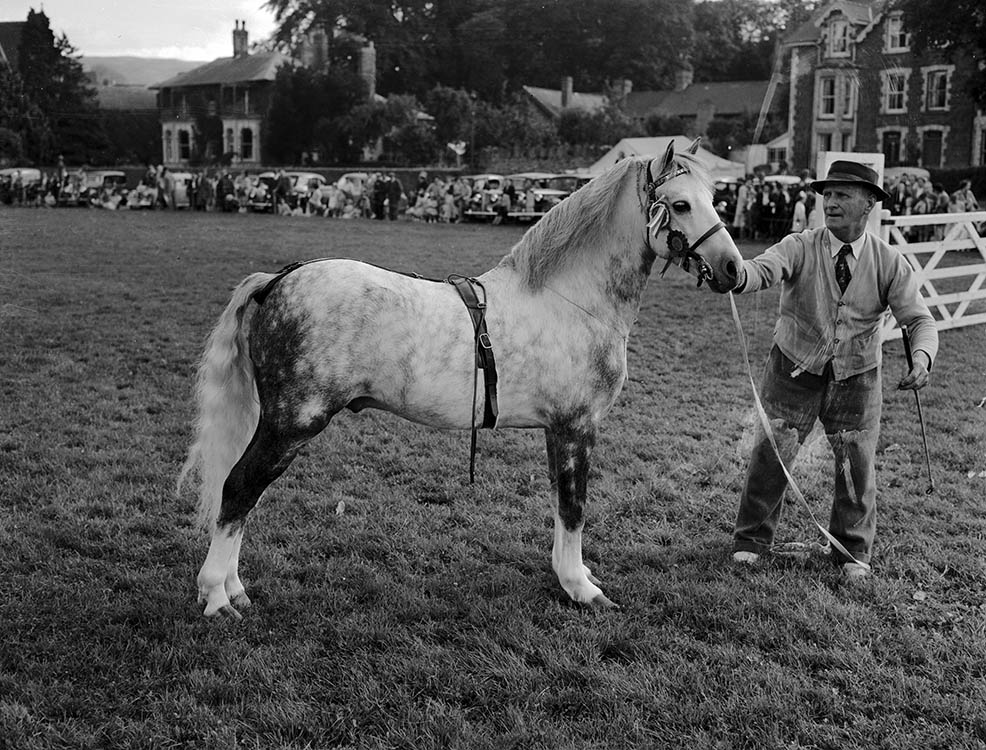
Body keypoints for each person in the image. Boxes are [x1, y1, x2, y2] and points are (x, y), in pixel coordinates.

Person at [730, 160, 939, 579]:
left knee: (856, 464)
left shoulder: (890, 262)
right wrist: (734, 273)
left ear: (869, 205)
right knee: (772, 454)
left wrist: (922, 356)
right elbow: (762, 269)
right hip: (792, 368)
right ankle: (752, 540)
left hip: (858, 377)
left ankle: (851, 551)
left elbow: (919, 320)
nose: (831, 202)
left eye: (843, 194)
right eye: (827, 194)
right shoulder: (798, 245)